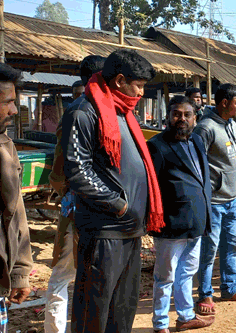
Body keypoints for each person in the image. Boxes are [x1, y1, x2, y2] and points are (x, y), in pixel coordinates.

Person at [63, 49, 164, 333]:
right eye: (139, 85)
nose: (142, 93)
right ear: (120, 80)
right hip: (104, 229)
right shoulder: (85, 111)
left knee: (123, 310)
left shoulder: (123, 112)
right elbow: (78, 171)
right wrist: (118, 204)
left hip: (130, 230)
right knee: (94, 311)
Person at [45, 55, 104, 333]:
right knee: (76, 274)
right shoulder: (92, 113)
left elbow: (58, 172)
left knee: (66, 275)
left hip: (79, 206)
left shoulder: (76, 112)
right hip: (87, 208)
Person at [147, 96, 215, 333]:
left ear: (195, 117)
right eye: (176, 114)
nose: (181, 119)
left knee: (187, 272)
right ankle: (160, 324)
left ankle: (185, 316)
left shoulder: (196, 140)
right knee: (164, 277)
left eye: (187, 114)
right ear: (168, 116)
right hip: (171, 223)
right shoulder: (157, 146)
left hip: (196, 221)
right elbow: (150, 187)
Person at [0, 57, 32, 333]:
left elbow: (15, 214)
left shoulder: (2, 145)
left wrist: (20, 272)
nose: (15, 110)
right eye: (7, 102)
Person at [195, 83, 236, 315]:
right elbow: (197, 164)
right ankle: (205, 293)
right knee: (209, 249)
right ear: (224, 103)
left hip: (232, 199)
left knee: (232, 245)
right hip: (214, 201)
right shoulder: (206, 128)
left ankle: (229, 288)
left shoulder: (233, 123)